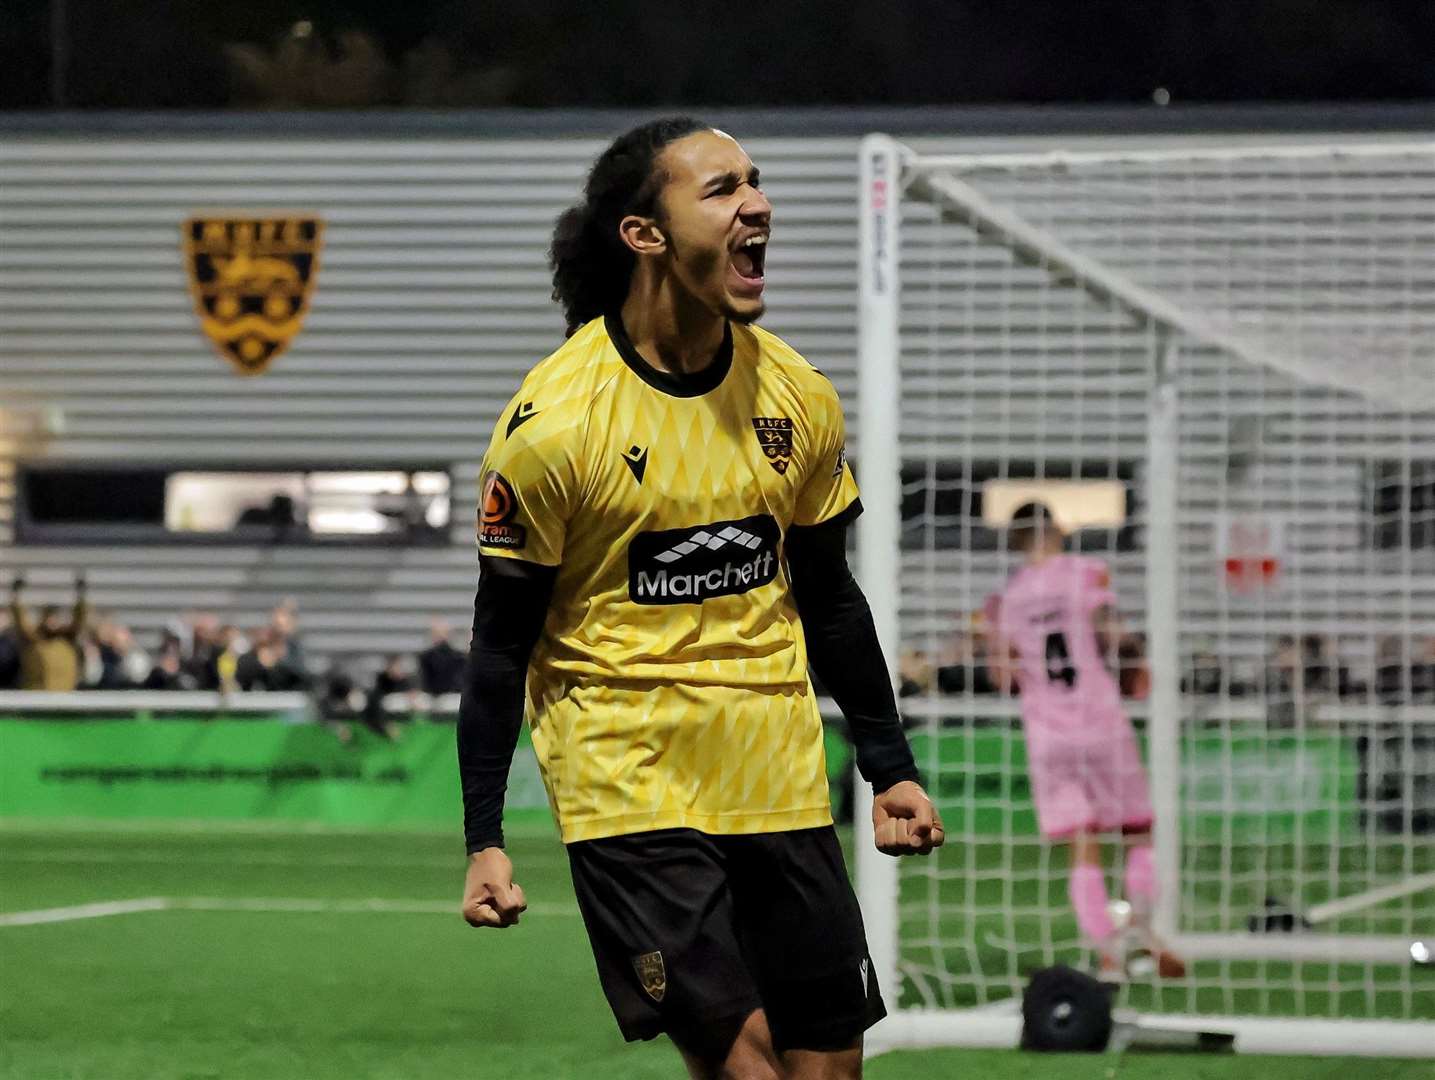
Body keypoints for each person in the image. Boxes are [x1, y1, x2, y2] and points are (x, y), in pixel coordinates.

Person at [457, 117, 942, 1080]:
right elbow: (500, 644)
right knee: (747, 1068)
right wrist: (484, 838)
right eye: (721, 189)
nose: (756, 203)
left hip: (776, 767)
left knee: (828, 1071)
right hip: (627, 778)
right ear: (645, 234)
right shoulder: (555, 426)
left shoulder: (796, 396)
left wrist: (888, 767)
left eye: (755, 183)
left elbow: (830, 599)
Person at [988, 502, 1183, 981]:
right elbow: (1112, 632)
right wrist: (1137, 670)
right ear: (1056, 532)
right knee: (1138, 830)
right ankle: (1144, 928)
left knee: (1083, 844)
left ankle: (1107, 949)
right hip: (1100, 723)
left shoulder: (1007, 600)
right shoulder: (1085, 574)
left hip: (1049, 735)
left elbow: (1002, 676)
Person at [9, 573, 89, 691]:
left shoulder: (67, 638)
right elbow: (20, 621)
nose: (51, 622)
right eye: (48, 617)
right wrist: (16, 595)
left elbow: (79, 619)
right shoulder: (34, 638)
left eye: (54, 618)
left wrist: (81, 595)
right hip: (36, 695)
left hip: (64, 694)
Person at [417, 619, 465, 696]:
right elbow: (423, 681)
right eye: (437, 633)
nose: (441, 636)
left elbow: (458, 682)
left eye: (443, 633)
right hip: (430, 695)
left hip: (451, 695)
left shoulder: (458, 657)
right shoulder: (425, 657)